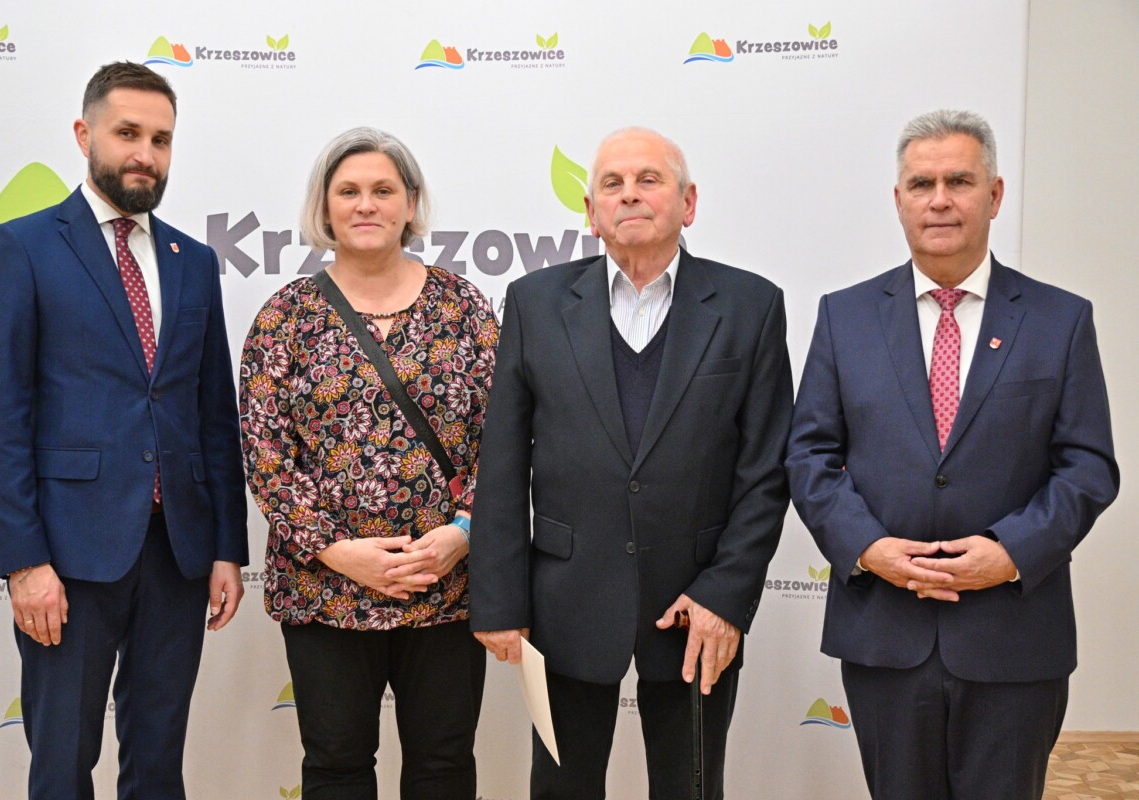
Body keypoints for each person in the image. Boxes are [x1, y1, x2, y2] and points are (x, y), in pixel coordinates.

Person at [785, 109, 1120, 799]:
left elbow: (1088, 466)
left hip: (1014, 639)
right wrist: (869, 548)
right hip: (885, 636)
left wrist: (1011, 553)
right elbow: (810, 456)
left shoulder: (1060, 319)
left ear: (994, 195)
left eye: (959, 182)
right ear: (899, 199)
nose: (939, 200)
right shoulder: (845, 317)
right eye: (922, 184)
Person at [470, 128, 792, 800]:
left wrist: (725, 595)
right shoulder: (534, 304)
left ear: (688, 202)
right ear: (591, 212)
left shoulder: (750, 306)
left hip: (697, 609)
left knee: (692, 789)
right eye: (612, 184)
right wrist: (498, 598)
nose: (630, 195)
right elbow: (501, 463)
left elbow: (765, 472)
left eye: (649, 179)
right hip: (566, 604)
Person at [0, 61, 248, 799]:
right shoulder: (23, 247)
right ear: (84, 134)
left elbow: (213, 415)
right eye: (128, 133)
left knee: (158, 764)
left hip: (178, 553)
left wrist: (226, 546)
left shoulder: (194, 261)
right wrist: (25, 562)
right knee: (62, 764)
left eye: (160, 139)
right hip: (68, 558)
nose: (144, 154)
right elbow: (0, 421)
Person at [240, 127, 498, 800]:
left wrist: (463, 533)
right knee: (336, 766)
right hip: (325, 590)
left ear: (410, 203)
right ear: (324, 208)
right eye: (348, 191)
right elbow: (267, 457)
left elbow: (503, 439)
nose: (365, 204)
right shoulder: (285, 317)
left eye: (383, 190)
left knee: (443, 765)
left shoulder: (463, 307)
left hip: (443, 584)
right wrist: (338, 552)